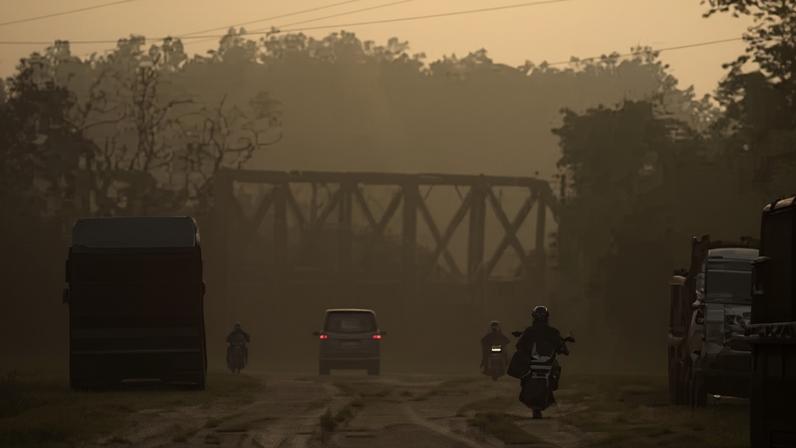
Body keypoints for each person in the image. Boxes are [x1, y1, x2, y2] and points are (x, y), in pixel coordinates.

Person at [516, 306, 568, 419]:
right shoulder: (552, 331)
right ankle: (549, 388)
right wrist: (563, 349)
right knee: (556, 368)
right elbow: (561, 346)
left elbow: (519, 345)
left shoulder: (529, 331)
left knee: (525, 372)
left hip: (534, 361)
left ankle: (540, 391)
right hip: (545, 362)